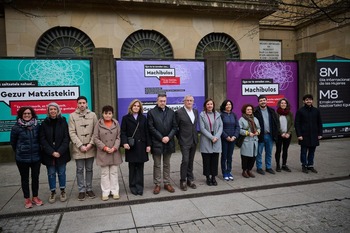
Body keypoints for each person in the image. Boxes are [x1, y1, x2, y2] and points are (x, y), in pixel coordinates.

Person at [10, 106, 43, 209]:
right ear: (21, 115)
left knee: (35, 178)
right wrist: (21, 150)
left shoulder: (37, 126)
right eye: (25, 114)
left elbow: (40, 139)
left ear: (32, 114)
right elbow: (13, 143)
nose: (27, 115)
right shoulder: (16, 127)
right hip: (22, 158)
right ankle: (27, 198)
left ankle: (35, 197)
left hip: (36, 157)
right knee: (24, 179)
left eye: (29, 113)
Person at [40, 102, 71, 204]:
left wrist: (59, 151)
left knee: (62, 172)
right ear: (48, 111)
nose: (53, 111)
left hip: (62, 153)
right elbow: (42, 139)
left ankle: (62, 191)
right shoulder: (44, 123)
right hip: (49, 154)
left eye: (55, 109)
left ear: (58, 111)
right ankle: (53, 192)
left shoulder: (63, 121)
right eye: (51, 109)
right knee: (51, 173)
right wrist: (52, 152)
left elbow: (67, 138)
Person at [147, 92, 177, 194]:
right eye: (160, 101)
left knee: (167, 164)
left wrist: (168, 137)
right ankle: (157, 184)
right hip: (157, 142)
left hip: (168, 142)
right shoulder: (151, 112)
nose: (162, 102)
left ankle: (167, 183)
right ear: (157, 101)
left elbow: (175, 127)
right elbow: (151, 128)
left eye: (164, 101)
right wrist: (161, 138)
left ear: (166, 101)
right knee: (157, 165)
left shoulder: (171, 112)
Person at [69, 96, 98, 201]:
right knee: (79, 169)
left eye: (83, 103)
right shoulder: (72, 116)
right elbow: (72, 132)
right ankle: (81, 190)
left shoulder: (93, 115)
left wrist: (90, 144)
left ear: (86, 103)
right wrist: (80, 145)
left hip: (90, 147)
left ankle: (89, 189)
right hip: (78, 148)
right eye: (80, 103)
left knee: (89, 169)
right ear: (77, 104)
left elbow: (96, 131)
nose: (82, 105)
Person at [121, 100, 151, 196]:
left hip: (141, 146)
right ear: (131, 107)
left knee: (140, 168)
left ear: (140, 108)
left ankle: (140, 187)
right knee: (132, 168)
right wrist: (124, 142)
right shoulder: (125, 118)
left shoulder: (143, 118)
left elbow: (147, 132)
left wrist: (148, 145)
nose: (136, 107)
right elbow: (123, 132)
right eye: (135, 106)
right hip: (131, 146)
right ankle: (132, 186)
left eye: (138, 106)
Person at [93, 105, 123, 201]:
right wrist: (105, 147)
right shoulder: (98, 124)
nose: (107, 115)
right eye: (105, 113)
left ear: (112, 114)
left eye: (109, 113)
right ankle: (105, 191)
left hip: (114, 152)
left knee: (114, 172)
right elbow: (95, 138)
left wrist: (114, 147)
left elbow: (119, 137)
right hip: (103, 152)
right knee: (105, 173)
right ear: (102, 114)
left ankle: (115, 191)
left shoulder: (116, 123)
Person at [175, 95, 199, 191]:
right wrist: (180, 138)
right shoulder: (179, 112)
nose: (189, 102)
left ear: (193, 102)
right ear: (184, 102)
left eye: (191, 100)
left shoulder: (196, 112)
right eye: (187, 100)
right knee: (185, 160)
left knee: (191, 160)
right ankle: (183, 180)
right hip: (184, 141)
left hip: (193, 140)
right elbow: (175, 127)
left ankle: (190, 179)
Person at [295, 94, 323, 173]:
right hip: (304, 135)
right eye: (307, 100)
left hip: (314, 135)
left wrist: (320, 133)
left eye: (310, 99)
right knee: (303, 151)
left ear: (312, 101)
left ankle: (310, 165)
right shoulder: (300, 111)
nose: (308, 101)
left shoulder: (316, 110)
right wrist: (299, 135)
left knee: (312, 151)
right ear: (304, 101)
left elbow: (319, 123)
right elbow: (297, 123)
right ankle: (304, 165)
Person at [199, 98, 223, 186]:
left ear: (213, 105)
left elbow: (221, 127)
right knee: (206, 160)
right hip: (206, 139)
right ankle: (207, 177)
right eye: (208, 104)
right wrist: (211, 137)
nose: (210, 106)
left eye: (211, 104)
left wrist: (216, 137)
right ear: (205, 105)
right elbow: (202, 128)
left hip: (216, 139)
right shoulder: (202, 115)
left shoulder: (218, 114)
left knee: (215, 160)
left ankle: (213, 177)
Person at [254, 95, 279, 175]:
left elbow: (276, 122)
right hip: (260, 135)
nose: (263, 102)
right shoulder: (255, 111)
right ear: (258, 102)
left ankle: (268, 167)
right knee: (259, 153)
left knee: (269, 152)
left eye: (264, 100)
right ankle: (259, 167)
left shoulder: (271, 110)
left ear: (266, 101)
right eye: (261, 100)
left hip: (270, 135)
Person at [220, 99, 240, 181]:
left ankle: (229, 171)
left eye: (230, 104)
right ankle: (224, 172)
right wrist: (226, 137)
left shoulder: (234, 115)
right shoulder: (221, 115)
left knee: (230, 156)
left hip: (233, 139)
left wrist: (235, 136)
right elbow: (219, 128)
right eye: (227, 105)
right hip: (225, 139)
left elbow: (237, 127)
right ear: (224, 106)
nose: (229, 106)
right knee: (224, 156)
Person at [239, 104, 261, 178]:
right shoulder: (241, 119)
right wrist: (248, 133)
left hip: (255, 140)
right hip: (246, 140)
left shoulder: (255, 119)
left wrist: (258, 132)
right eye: (248, 109)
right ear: (245, 110)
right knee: (245, 157)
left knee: (253, 157)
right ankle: (244, 171)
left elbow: (258, 128)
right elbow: (239, 130)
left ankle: (249, 170)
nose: (249, 111)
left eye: (250, 109)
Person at [275, 98, 294, 172]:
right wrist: (281, 133)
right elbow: (276, 125)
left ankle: (284, 165)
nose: (283, 104)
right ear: (279, 104)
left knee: (285, 150)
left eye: (285, 103)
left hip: (287, 135)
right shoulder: (276, 113)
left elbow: (292, 124)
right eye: (282, 103)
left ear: (287, 104)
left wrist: (288, 133)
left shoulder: (290, 113)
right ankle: (278, 165)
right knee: (278, 150)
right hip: (279, 135)